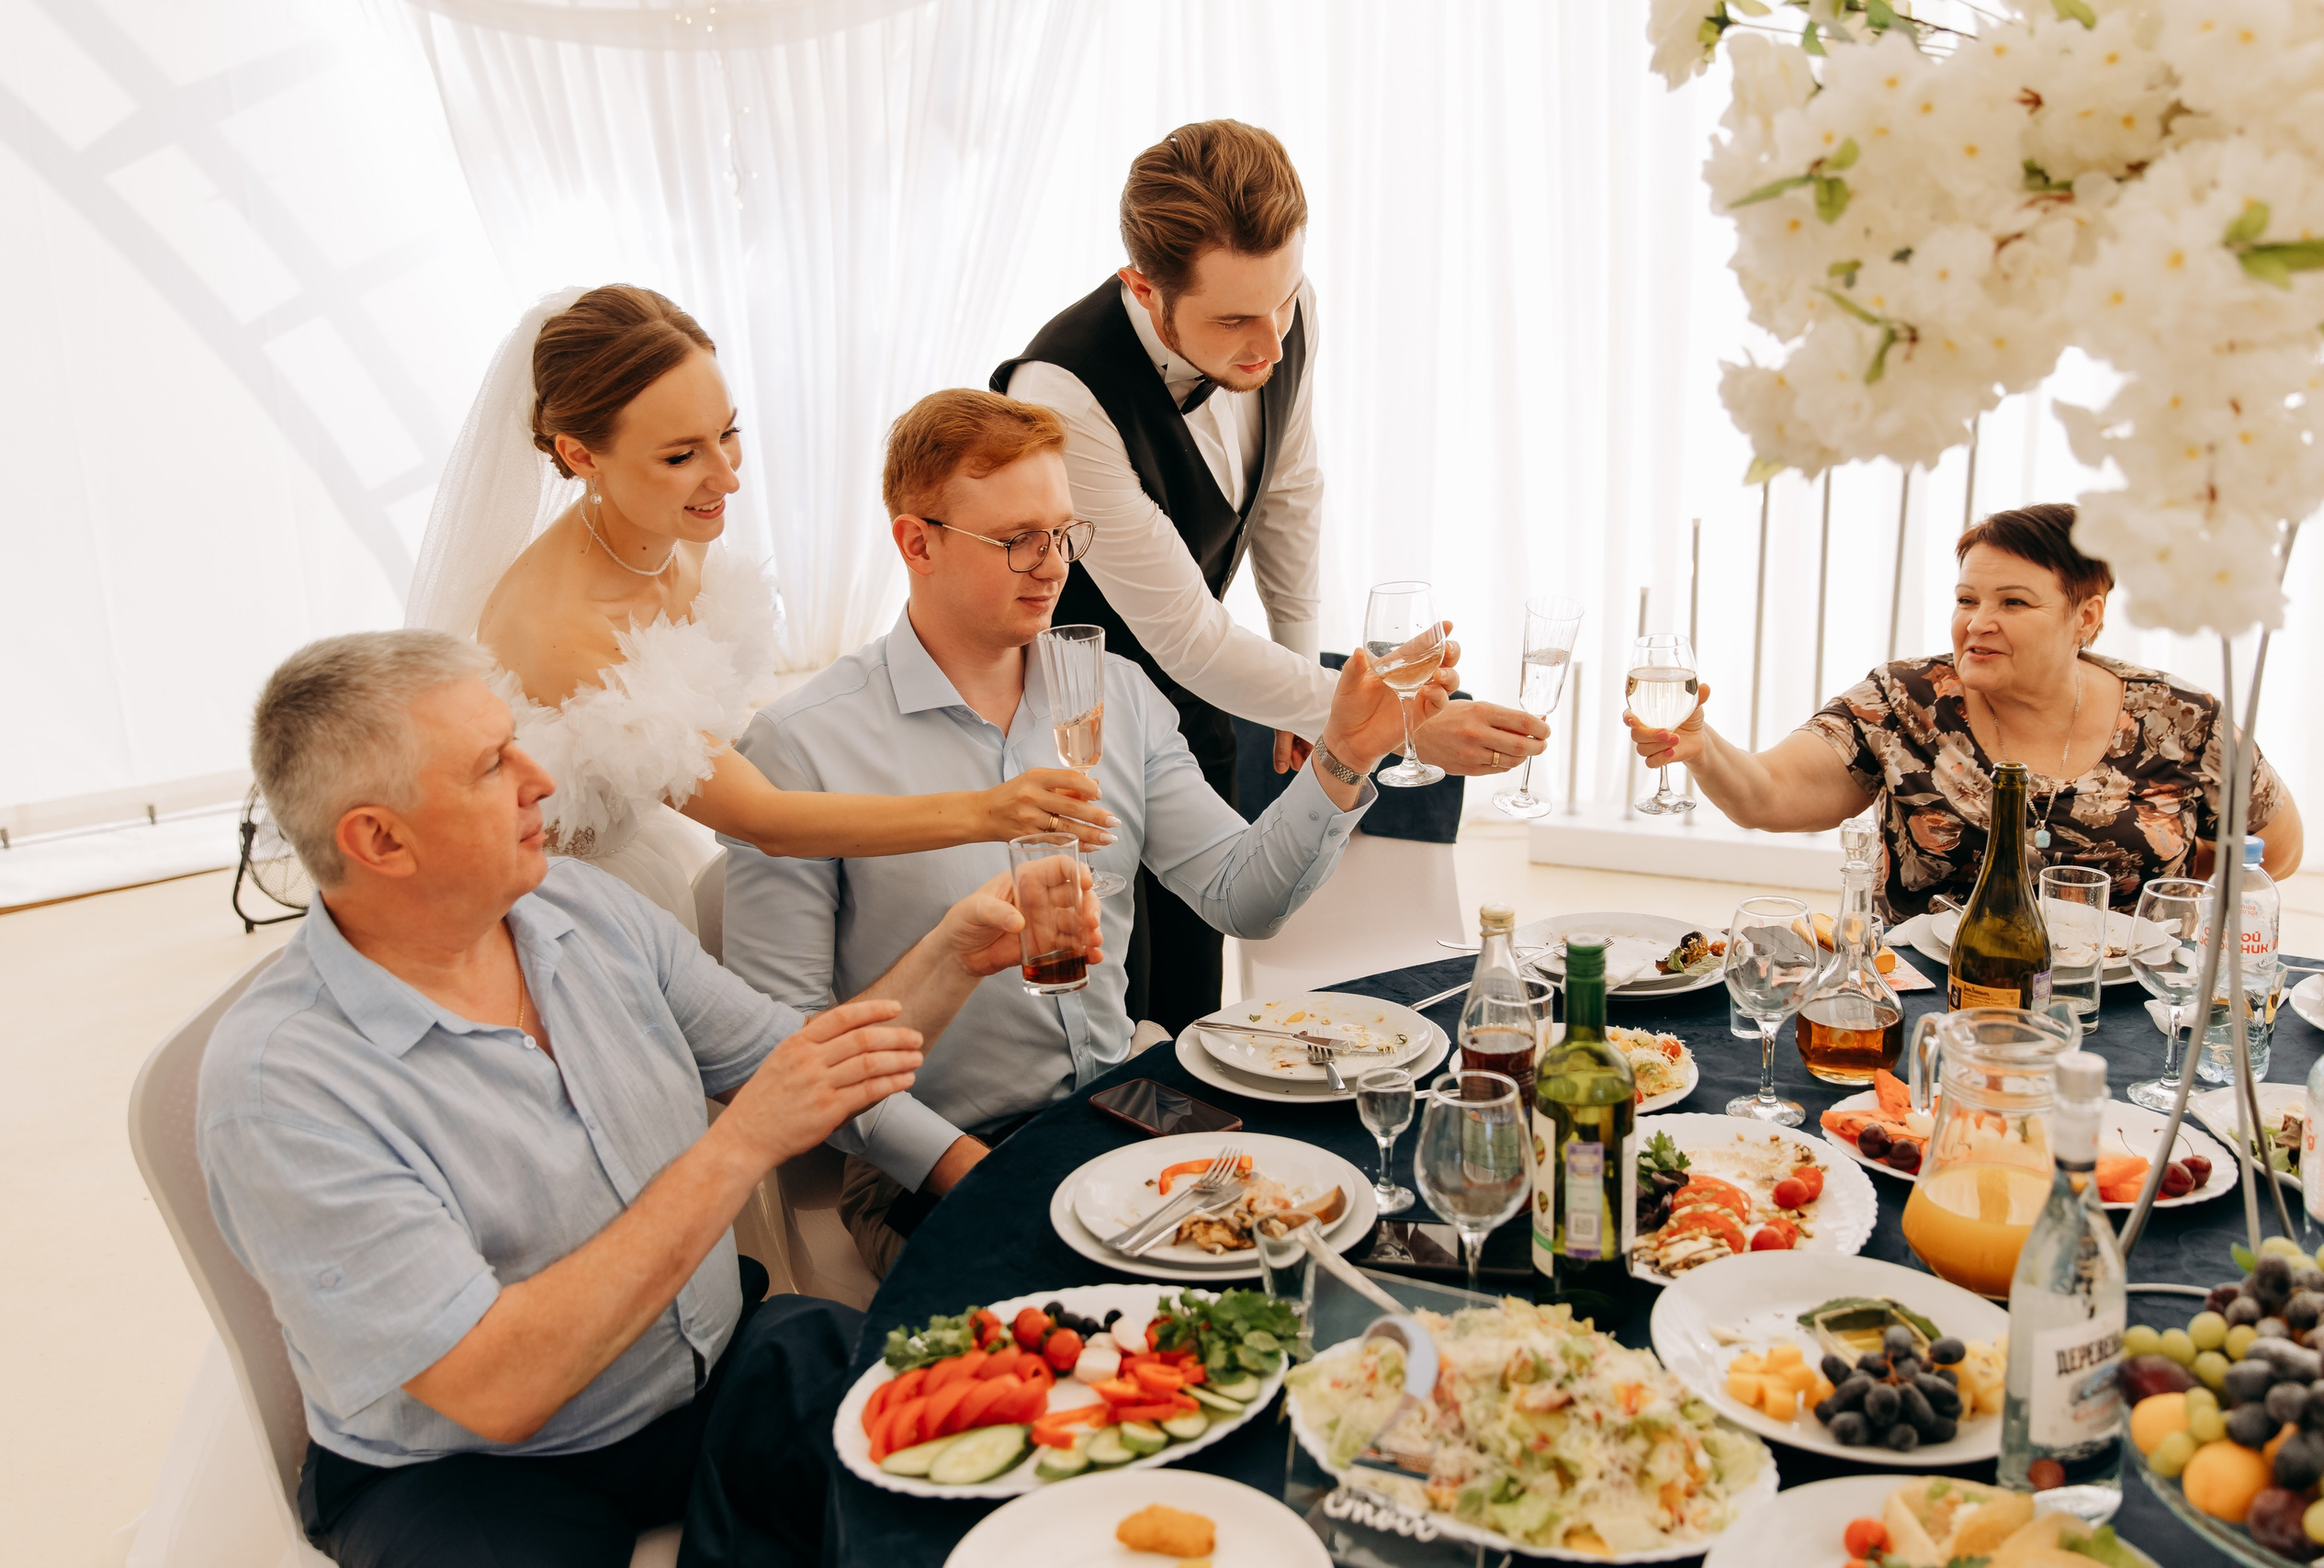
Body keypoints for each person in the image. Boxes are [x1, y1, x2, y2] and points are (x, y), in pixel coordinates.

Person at [198, 629, 1099, 1568]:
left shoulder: (585, 909)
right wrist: (738, 1146)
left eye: (517, 741)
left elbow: (800, 1071)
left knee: (987, 1474)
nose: (538, 778)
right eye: (490, 765)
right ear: (378, 839)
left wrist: (955, 953)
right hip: (476, 1470)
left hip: (714, 1374)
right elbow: (496, 1389)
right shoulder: (281, 1087)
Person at [721, 389, 1438, 1275]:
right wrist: (973, 1169)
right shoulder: (800, 745)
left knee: (1352, 1219)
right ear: (918, 543)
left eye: (1063, 533)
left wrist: (1342, 757)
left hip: (1121, 1107)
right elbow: (783, 1048)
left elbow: (1241, 895)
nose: (1051, 564)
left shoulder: (1117, 694)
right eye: (1017, 538)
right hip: (936, 1159)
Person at [992, 119, 1544, 1029]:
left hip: (1196, 709)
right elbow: (1182, 633)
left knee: (1190, 1001)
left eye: (1283, 301)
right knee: (1100, 1009)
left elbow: (1289, 495)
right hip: (1070, 734)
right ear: (1143, 287)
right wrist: (1397, 720)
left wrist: (1297, 683)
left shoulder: (1284, 311)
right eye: (1235, 319)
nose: (1272, 343)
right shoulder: (1061, 394)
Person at [406, 285, 1114, 931]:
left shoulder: (668, 527)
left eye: (728, 432)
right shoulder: (559, 629)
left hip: (662, 840)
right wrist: (989, 809)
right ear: (580, 455)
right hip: (561, 904)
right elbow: (761, 820)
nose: (727, 476)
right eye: (682, 455)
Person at [1625, 502, 2305, 918]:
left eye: (2013, 602)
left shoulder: (2181, 718)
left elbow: (2277, 846)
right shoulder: (1904, 701)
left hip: (2123, 1018)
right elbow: (1767, 795)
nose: (1977, 621)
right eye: (1966, 599)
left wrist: (2173, 896)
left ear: (2085, 617)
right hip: (1929, 1009)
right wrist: (1703, 745)